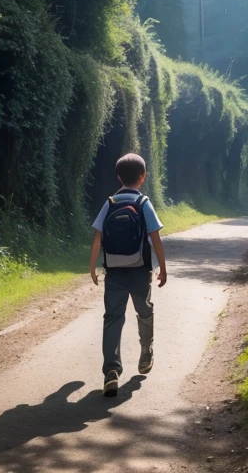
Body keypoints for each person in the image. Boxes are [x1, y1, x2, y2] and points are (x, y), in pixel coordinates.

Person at [90, 152, 167, 398]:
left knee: (113, 318)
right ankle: (146, 352)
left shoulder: (110, 203)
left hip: (113, 271)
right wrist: (163, 268)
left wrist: (93, 266)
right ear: (142, 177)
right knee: (144, 311)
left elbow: (98, 236)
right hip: (139, 270)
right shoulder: (144, 203)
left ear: (119, 176)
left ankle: (111, 372)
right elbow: (155, 237)